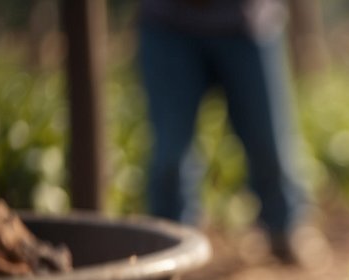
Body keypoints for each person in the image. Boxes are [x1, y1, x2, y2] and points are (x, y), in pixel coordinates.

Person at [137, 0, 324, 266]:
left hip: (248, 22)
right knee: (170, 151)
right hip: (168, 24)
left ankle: (284, 227)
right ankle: (170, 241)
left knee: (268, 142)